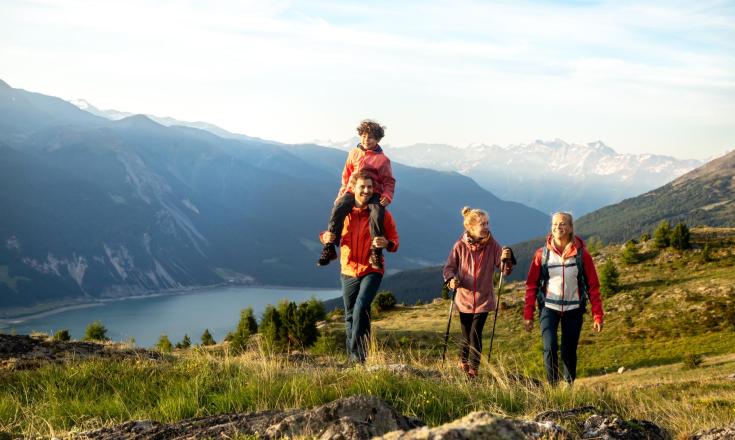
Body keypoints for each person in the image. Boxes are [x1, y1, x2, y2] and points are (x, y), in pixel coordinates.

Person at [320, 170, 399, 363]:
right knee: (349, 315)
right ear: (353, 188)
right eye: (362, 187)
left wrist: (386, 244)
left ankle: (358, 357)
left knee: (361, 307)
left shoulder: (381, 214)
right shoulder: (344, 214)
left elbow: (394, 242)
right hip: (348, 270)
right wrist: (325, 238)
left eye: (370, 187)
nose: (366, 191)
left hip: (372, 268)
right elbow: (328, 235)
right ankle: (354, 357)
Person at [524, 211, 604, 385]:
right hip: (548, 307)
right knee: (550, 347)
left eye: (562, 224)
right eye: (554, 224)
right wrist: (528, 315)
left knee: (569, 351)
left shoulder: (582, 255)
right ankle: (552, 388)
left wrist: (597, 315)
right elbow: (531, 285)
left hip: (574, 309)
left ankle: (568, 387)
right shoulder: (542, 254)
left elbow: (593, 287)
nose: (557, 227)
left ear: (570, 228)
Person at [443, 207, 515, 378]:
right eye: (483, 224)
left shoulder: (493, 245)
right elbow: (449, 268)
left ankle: (474, 369)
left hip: (483, 299)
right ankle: (463, 362)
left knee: (475, 332)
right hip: (464, 298)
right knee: (466, 333)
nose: (487, 227)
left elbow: (504, 270)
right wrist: (451, 280)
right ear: (471, 227)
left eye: (487, 223)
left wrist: (507, 259)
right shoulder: (459, 246)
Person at [318, 119, 396, 270]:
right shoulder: (353, 154)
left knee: (376, 212)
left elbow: (389, 181)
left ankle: (376, 251)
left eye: (372, 137)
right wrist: (341, 194)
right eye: (365, 136)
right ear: (360, 135)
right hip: (352, 191)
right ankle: (329, 247)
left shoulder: (383, 160)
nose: (367, 140)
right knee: (338, 209)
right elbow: (346, 176)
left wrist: (387, 196)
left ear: (378, 139)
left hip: (374, 192)